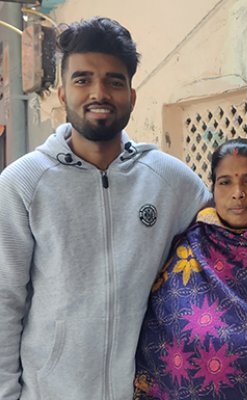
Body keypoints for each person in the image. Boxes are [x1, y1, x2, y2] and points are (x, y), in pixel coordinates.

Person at [0, 17, 211, 400]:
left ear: (131, 94)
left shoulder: (169, 180)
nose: (99, 92)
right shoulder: (22, 184)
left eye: (114, 81)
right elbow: (3, 301)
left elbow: (235, 228)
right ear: (62, 93)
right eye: (82, 79)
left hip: (146, 391)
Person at [134, 138, 247, 399]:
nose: (237, 192)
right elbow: (160, 325)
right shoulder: (190, 247)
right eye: (225, 182)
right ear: (213, 191)